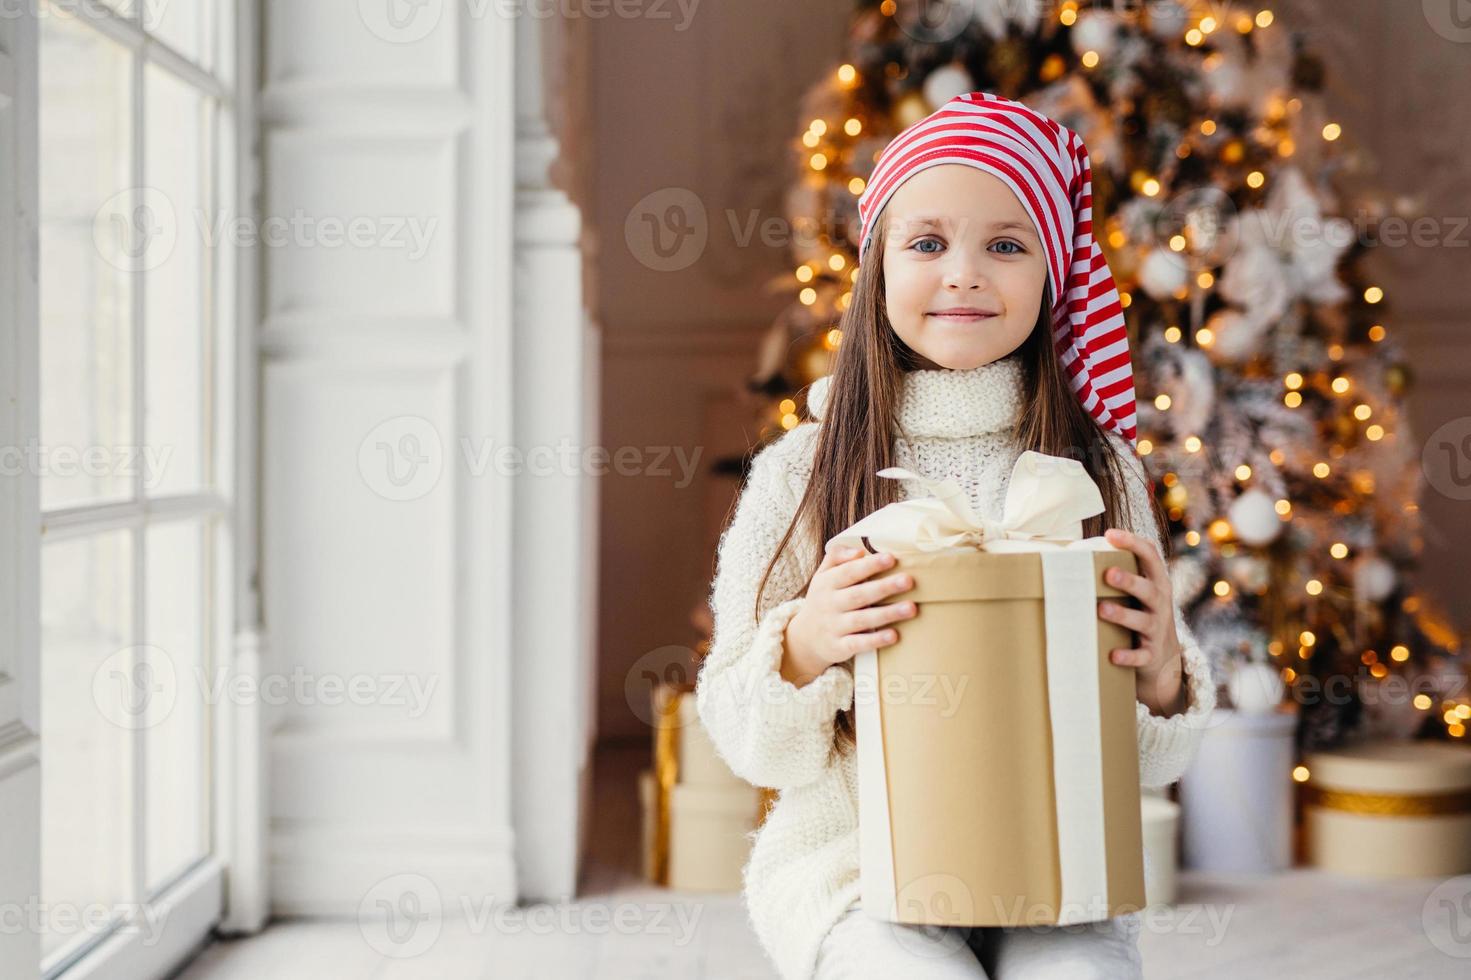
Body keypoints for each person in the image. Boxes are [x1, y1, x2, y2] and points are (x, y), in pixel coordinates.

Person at [694, 92, 1216, 980]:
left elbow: (1141, 764)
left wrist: (1163, 672)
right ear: (878, 267)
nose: (965, 272)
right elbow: (744, 734)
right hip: (857, 865)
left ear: (1051, 274)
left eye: (1005, 245)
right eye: (928, 242)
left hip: (1050, 854)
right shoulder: (801, 471)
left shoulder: (1102, 471)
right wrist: (806, 643)